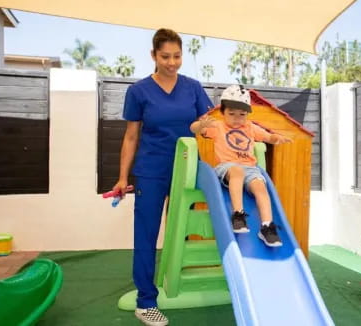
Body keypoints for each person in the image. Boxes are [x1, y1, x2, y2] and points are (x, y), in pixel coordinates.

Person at [112, 28, 213, 326]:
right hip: (151, 170)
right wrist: (121, 177)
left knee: (183, 230)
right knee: (145, 234)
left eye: (177, 56)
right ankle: (146, 302)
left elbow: (208, 126)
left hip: (187, 169)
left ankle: (179, 282)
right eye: (165, 56)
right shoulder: (139, 91)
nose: (172, 62)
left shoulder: (193, 87)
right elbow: (131, 137)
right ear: (154, 56)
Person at [190, 85, 291, 247]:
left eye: (242, 114)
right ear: (222, 112)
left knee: (260, 186)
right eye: (231, 114)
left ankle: (266, 226)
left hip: (250, 168)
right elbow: (193, 128)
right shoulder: (218, 126)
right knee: (237, 172)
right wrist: (201, 125)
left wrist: (276, 138)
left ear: (247, 114)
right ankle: (238, 215)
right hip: (227, 167)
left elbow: (267, 136)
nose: (237, 118)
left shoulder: (250, 127)